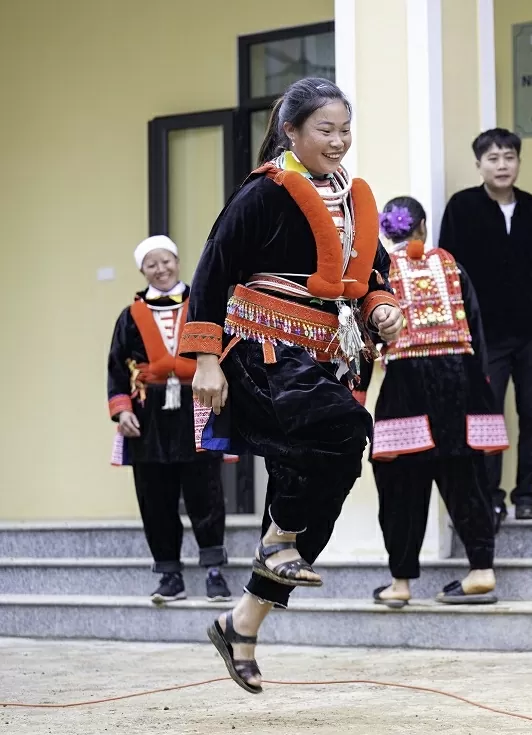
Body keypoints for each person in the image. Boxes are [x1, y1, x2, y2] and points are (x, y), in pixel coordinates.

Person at [179, 78, 403, 694]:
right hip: (263, 350)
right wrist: (204, 360)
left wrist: (381, 306)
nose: (338, 141)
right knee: (344, 428)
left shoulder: (352, 200)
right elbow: (212, 270)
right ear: (292, 132)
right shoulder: (263, 193)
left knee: (326, 490)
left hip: (327, 355)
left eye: (344, 130)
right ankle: (277, 539)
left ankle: (242, 621)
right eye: (325, 130)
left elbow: (373, 270)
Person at [370, 196, 503, 607]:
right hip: (459, 382)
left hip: (406, 384)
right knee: (465, 477)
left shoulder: (380, 273)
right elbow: (477, 331)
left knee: (400, 484)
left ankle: (401, 583)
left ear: (386, 232)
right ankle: (481, 570)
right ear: (422, 227)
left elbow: (367, 333)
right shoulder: (452, 265)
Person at [439, 127, 532, 525]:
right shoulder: (462, 207)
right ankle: (491, 496)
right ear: (479, 164)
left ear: (518, 162)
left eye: (509, 157)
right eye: (493, 158)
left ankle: (526, 495)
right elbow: (449, 265)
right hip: (485, 333)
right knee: (487, 415)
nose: (502, 165)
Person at [107, 236, 231, 604]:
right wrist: (122, 409)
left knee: (205, 490)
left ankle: (213, 571)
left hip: (198, 403)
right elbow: (116, 366)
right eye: (151, 265)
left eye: (166, 262)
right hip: (148, 414)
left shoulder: (204, 304)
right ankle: (169, 575)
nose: (160, 270)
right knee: (154, 494)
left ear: (177, 261)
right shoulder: (129, 317)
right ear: (142, 270)